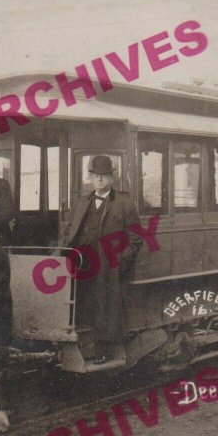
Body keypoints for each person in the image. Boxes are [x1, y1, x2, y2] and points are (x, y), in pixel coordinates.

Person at [62, 155, 142, 365]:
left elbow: (135, 239)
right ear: (90, 177)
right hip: (83, 263)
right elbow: (71, 230)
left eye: (103, 176)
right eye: (95, 176)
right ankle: (79, 345)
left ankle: (104, 350)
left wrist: (120, 263)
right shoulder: (83, 201)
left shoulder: (124, 203)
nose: (99, 180)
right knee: (82, 304)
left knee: (105, 307)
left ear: (111, 178)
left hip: (108, 267)